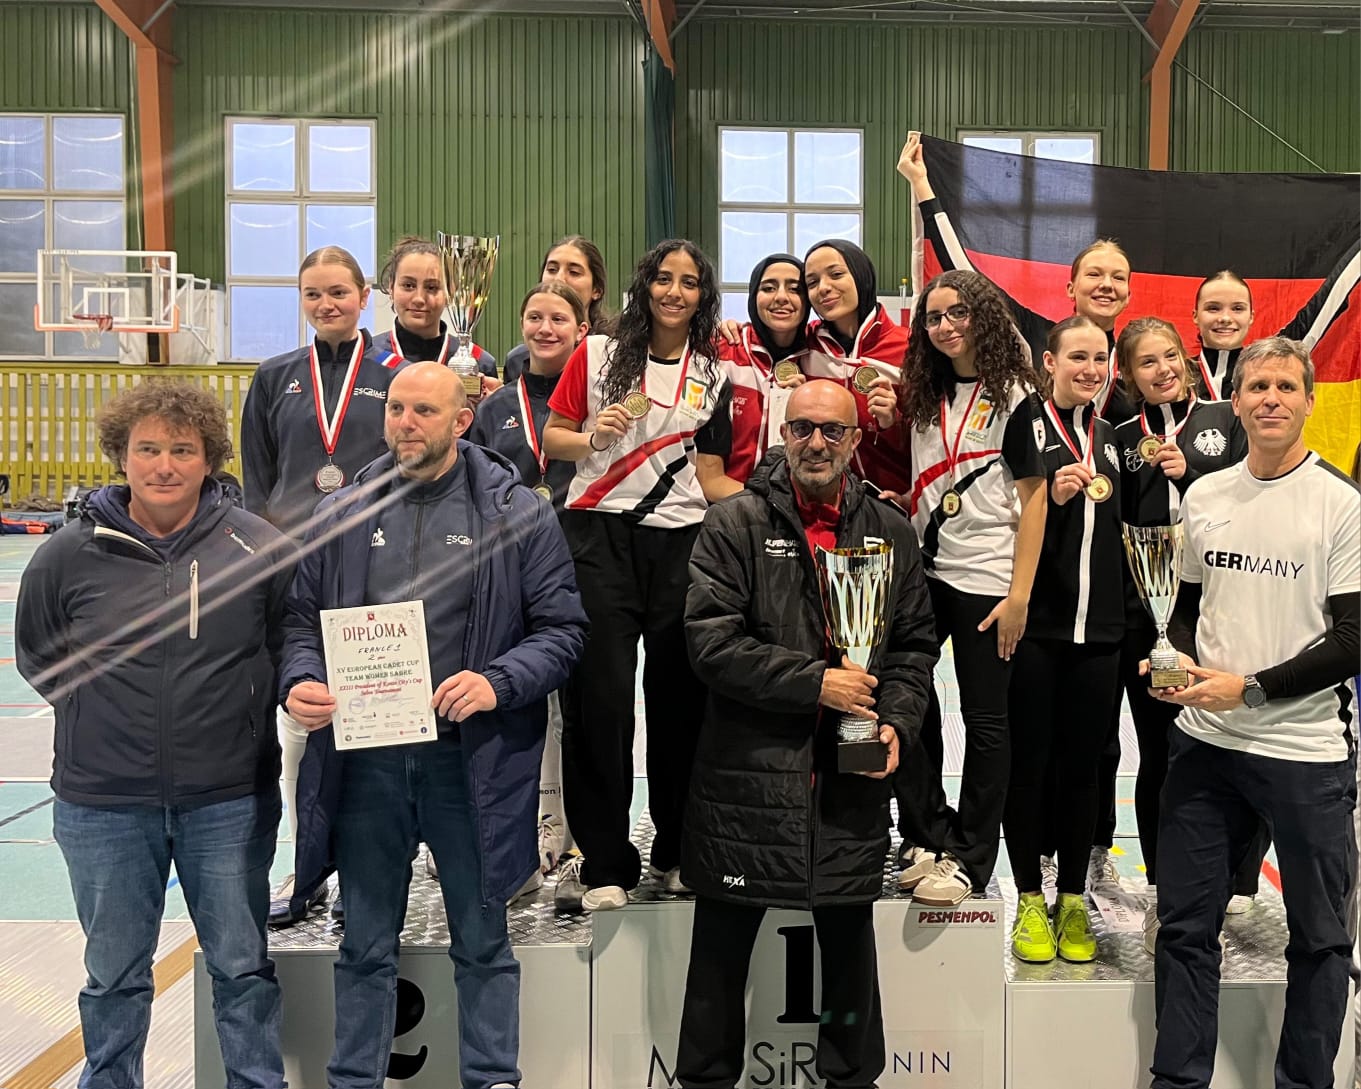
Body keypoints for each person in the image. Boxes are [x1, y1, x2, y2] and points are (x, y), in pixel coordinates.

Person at [280, 361, 588, 1089]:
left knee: (482, 942)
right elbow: (300, 622)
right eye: (396, 409)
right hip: (369, 764)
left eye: (424, 411)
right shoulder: (340, 512)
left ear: (460, 421)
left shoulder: (517, 513)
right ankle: (352, 1079)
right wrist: (301, 681)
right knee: (363, 945)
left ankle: (493, 1077)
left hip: (470, 763)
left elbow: (563, 630)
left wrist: (495, 682)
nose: (405, 423)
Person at [15, 381, 296, 1089]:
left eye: (182, 450)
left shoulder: (256, 546)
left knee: (241, 967)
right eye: (147, 449)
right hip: (103, 803)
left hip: (228, 799)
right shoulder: (67, 554)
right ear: (121, 455)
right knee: (113, 975)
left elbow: (283, 642)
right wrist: (100, 716)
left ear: (209, 458)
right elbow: (39, 653)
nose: (164, 465)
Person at [676, 379, 938, 1089]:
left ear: (856, 439)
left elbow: (914, 647)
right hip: (746, 784)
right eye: (801, 429)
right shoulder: (733, 523)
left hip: (847, 781)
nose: (815, 443)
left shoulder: (890, 530)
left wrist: (897, 723)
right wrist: (814, 682)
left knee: (848, 964)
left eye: (832, 430)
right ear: (781, 435)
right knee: (717, 965)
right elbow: (710, 643)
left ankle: (851, 1079)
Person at [1149, 336, 1359, 1089]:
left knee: (1320, 939)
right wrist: (1171, 655)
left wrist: (1250, 688)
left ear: (1308, 401)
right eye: (1257, 386)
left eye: (1285, 386)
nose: (1270, 398)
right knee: (1183, 928)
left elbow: (1352, 640)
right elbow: (1184, 607)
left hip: (1305, 753)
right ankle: (1178, 1080)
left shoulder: (1340, 504)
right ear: (1233, 402)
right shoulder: (1205, 496)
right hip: (1204, 745)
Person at [543, 239, 742, 912]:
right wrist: (592, 437)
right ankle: (605, 862)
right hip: (599, 536)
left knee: (679, 698)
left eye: (688, 282)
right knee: (598, 700)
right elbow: (555, 436)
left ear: (702, 295)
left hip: (682, 541)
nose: (673, 291)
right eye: (663, 278)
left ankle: (677, 850)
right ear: (645, 285)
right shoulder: (597, 354)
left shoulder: (714, 373)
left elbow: (712, 475)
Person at [239, 244, 407, 928]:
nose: (326, 304)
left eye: (339, 292)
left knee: (371, 724)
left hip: (371, 570)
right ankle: (307, 866)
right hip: (292, 574)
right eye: (313, 293)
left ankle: (367, 872)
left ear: (365, 297)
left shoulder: (394, 372)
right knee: (300, 718)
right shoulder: (274, 377)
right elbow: (257, 483)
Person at [880, 269, 1047, 906]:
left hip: (986, 580)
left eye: (957, 313)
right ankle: (927, 833)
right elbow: (934, 477)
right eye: (933, 317)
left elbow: (1034, 502)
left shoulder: (1016, 395)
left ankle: (972, 859)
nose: (945, 326)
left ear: (983, 316)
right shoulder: (926, 392)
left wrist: (1019, 596)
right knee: (904, 704)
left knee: (986, 723)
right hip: (925, 576)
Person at [1109, 317, 1252, 953]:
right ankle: (1164, 891)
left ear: (1186, 360)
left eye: (1170, 356)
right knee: (1160, 752)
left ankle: (1234, 884)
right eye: (1147, 363)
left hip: (1220, 615)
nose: (1163, 369)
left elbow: (1249, 506)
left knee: (1231, 750)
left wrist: (1189, 475)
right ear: (1129, 376)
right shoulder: (1119, 439)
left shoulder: (1226, 420)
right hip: (1148, 623)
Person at [1003, 315, 1125, 964]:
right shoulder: (1027, 422)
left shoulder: (1110, 436)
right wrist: (1050, 492)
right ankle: (1029, 895)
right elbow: (1015, 508)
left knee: (1084, 768)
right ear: (1048, 362)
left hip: (1099, 632)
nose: (1089, 368)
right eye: (1077, 356)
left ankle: (1072, 897)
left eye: (1099, 358)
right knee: (1029, 765)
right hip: (1038, 629)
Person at [467, 281, 590, 889]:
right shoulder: (494, 408)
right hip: (509, 570)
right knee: (514, 701)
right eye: (535, 317)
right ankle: (513, 836)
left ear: (581, 329)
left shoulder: (597, 396)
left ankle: (566, 831)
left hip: (581, 563)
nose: (545, 328)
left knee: (575, 709)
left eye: (559, 319)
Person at [898, 131, 1134, 426]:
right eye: (1094, 274)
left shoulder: (1134, 359)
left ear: (1129, 294)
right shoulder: (1035, 333)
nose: (1106, 285)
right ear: (1071, 289)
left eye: (1118, 277)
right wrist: (922, 185)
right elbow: (963, 271)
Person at [801, 238, 912, 494]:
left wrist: (893, 421)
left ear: (861, 276)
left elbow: (935, 441)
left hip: (890, 498)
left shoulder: (908, 348)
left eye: (836, 274)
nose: (823, 288)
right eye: (812, 282)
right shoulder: (804, 344)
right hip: (823, 499)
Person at [718, 253, 810, 484]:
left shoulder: (819, 359)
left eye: (795, 289)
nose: (781, 297)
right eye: (768, 288)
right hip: (724, 498)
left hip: (792, 501)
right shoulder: (723, 350)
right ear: (753, 296)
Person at [373, 234, 501, 390]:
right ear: (391, 288)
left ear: (449, 292)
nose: (419, 299)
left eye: (431, 287)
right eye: (408, 285)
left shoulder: (479, 362)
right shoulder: (370, 356)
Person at [503, 236, 610, 386]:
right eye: (552, 270)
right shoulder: (518, 360)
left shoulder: (610, 355)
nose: (559, 279)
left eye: (574, 272)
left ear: (597, 290)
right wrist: (500, 396)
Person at [1190, 270, 1255, 400]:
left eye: (1237, 309)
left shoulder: (1264, 374)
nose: (1225, 318)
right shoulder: (1177, 376)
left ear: (1251, 317)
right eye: (1213, 308)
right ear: (1195, 316)